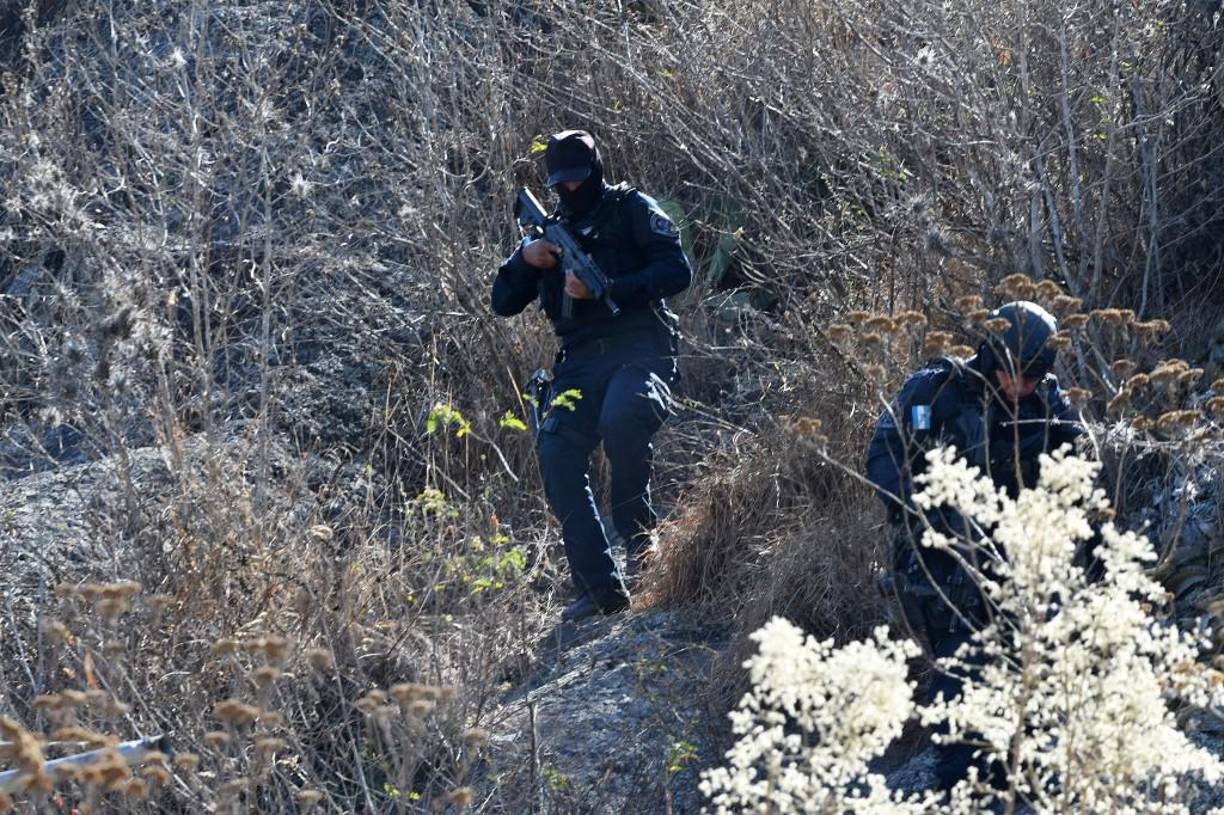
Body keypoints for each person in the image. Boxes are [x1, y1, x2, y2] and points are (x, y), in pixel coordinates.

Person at [865, 300, 1083, 790]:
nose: (1017, 388)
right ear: (990, 355)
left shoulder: (1049, 404)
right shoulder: (937, 389)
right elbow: (883, 457)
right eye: (1011, 375)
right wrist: (930, 508)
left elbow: (1080, 473)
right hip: (939, 556)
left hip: (1017, 552)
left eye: (1029, 379)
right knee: (963, 666)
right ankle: (960, 781)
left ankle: (1026, 766)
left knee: (1040, 653)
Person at [491, 130, 692, 622]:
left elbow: (677, 271)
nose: (572, 191)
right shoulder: (547, 234)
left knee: (623, 417)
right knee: (556, 449)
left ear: (595, 171)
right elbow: (503, 303)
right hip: (579, 360)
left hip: (641, 349)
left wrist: (611, 288)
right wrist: (524, 260)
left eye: (579, 180)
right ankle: (600, 589)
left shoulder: (632, 210)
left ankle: (643, 553)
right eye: (562, 184)